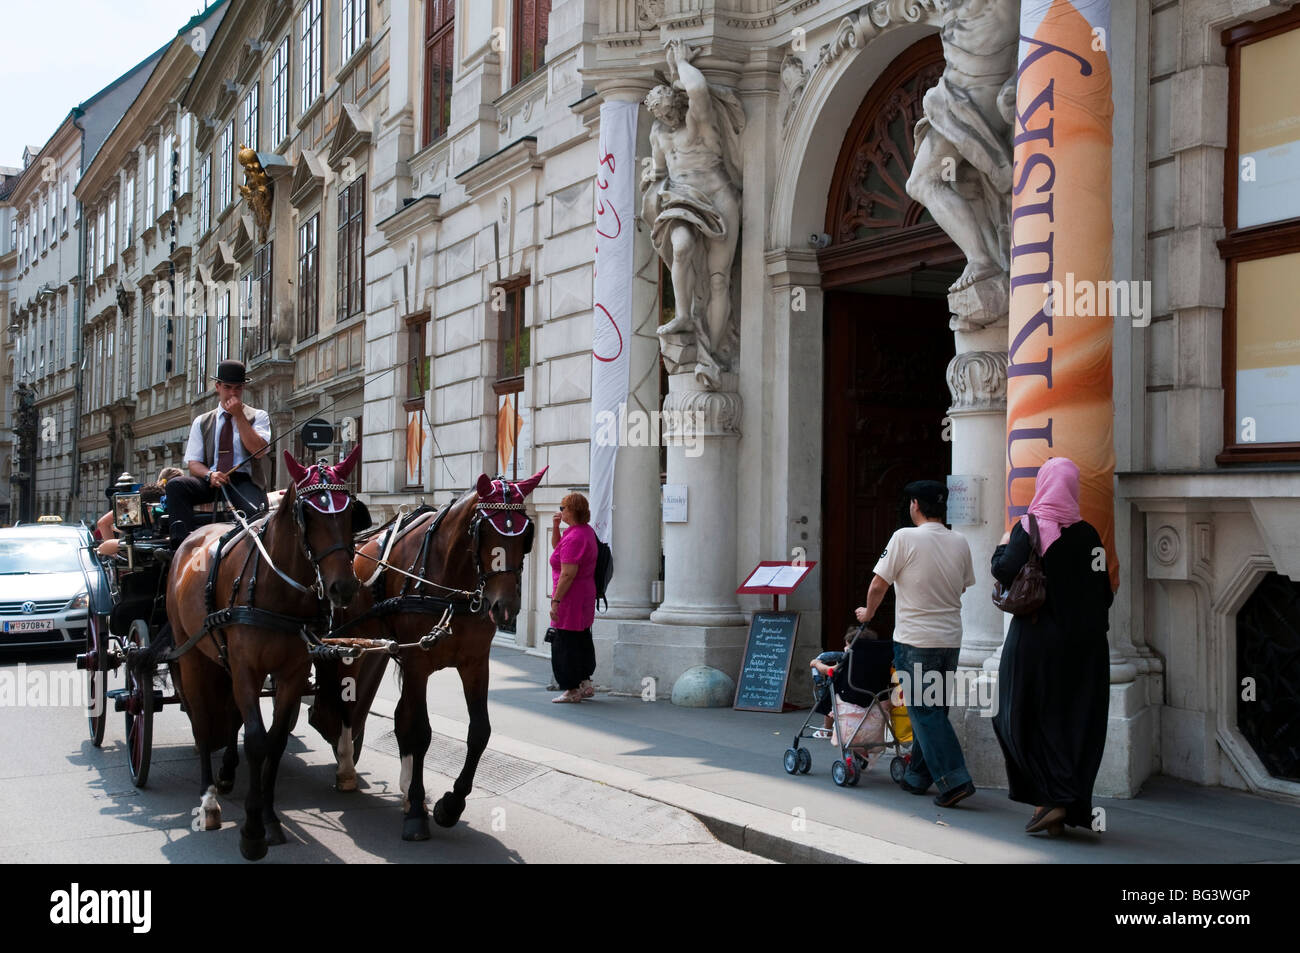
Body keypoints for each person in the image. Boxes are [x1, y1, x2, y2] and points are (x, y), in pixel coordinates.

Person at [991, 456, 1113, 836]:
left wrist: (1001, 546)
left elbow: (1004, 570)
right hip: (1085, 647)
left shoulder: (1027, 528)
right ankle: (1060, 804)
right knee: (1070, 719)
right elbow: (1104, 593)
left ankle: (1052, 798)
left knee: (1015, 714)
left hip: (1035, 638)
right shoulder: (1090, 535)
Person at [856, 480, 976, 808]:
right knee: (933, 709)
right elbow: (963, 587)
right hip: (949, 639)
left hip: (915, 640)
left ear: (914, 505)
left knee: (924, 711)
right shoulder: (960, 541)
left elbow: (879, 584)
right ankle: (918, 776)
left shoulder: (904, 537)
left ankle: (955, 779)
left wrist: (868, 613)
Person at [166, 360, 271, 547]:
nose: (232, 393)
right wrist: (210, 474)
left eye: (238, 388)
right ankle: (180, 544)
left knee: (256, 514)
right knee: (176, 486)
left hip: (243, 480)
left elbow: (258, 451)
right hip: (212, 479)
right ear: (217, 387)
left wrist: (239, 416)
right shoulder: (202, 421)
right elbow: (193, 462)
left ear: (243, 388)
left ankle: (253, 552)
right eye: (227, 387)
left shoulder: (258, 416)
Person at [548, 492, 599, 703]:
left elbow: (568, 573)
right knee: (581, 638)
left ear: (572, 510)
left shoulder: (576, 537)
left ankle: (571, 689)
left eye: (563, 508)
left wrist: (556, 601)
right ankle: (585, 683)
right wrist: (557, 527)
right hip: (584, 595)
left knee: (564, 643)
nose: (561, 511)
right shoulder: (583, 532)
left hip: (570, 597)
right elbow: (557, 549)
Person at [97, 467, 183, 556]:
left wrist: (114, 555)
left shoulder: (139, 498)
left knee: (103, 548)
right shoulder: (180, 501)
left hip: (139, 545)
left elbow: (103, 523)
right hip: (169, 544)